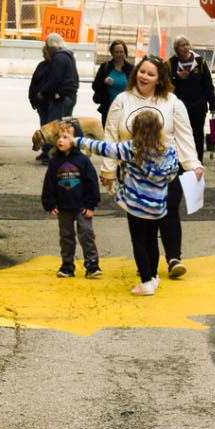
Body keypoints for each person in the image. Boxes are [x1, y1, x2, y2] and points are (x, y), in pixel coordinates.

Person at [73, 110, 200, 296]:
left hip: (136, 206)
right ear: (159, 129)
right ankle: (153, 276)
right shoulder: (170, 151)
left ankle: (146, 281)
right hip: (158, 206)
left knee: (139, 242)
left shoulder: (131, 149)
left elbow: (104, 148)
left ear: (135, 130)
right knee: (152, 241)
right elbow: (173, 174)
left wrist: (76, 141)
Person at [103, 55, 204, 278]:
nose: (144, 77)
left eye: (150, 74)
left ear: (159, 79)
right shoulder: (122, 100)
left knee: (168, 212)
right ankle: (147, 268)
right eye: (142, 72)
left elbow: (184, 136)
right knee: (141, 222)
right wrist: (108, 170)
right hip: (132, 175)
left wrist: (193, 165)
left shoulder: (172, 102)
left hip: (166, 172)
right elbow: (110, 136)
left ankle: (174, 258)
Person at [40, 120, 102, 279]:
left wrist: (91, 204)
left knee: (86, 235)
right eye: (59, 137)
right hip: (63, 207)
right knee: (66, 237)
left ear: (76, 140)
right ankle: (67, 265)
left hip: (82, 207)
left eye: (66, 137)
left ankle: (92, 264)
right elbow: (49, 183)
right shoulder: (54, 161)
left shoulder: (83, 160)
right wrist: (50, 204)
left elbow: (92, 182)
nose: (61, 140)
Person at [29, 33, 79, 162]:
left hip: (61, 98)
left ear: (51, 46)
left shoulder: (59, 58)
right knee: (60, 126)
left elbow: (55, 79)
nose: (46, 50)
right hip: (68, 96)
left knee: (55, 128)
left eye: (47, 47)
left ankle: (54, 155)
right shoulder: (68, 56)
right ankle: (50, 153)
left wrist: (43, 93)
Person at [169, 36, 215, 161]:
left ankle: (198, 160)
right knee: (181, 134)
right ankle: (183, 160)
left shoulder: (200, 62)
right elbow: (166, 84)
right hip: (179, 107)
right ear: (176, 48)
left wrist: (212, 104)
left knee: (197, 134)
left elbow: (208, 84)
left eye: (187, 44)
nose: (185, 47)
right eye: (182, 45)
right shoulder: (170, 64)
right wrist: (176, 77)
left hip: (198, 105)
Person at [91, 40, 135, 123]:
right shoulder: (105, 67)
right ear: (112, 53)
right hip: (108, 108)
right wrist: (104, 82)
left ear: (125, 52)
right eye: (116, 52)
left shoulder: (131, 69)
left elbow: (135, 88)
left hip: (125, 108)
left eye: (121, 52)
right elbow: (95, 86)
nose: (119, 54)